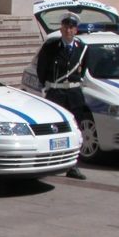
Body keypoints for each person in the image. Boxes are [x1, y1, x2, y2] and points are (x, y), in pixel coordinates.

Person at [36, 12, 89, 180]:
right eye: (65, 27)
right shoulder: (51, 47)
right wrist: (47, 85)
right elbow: (41, 69)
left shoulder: (82, 49)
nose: (68, 30)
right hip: (56, 93)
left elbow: (83, 70)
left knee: (75, 131)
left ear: (76, 30)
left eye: (71, 27)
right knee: (54, 130)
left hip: (74, 94)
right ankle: (50, 163)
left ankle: (73, 166)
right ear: (61, 28)